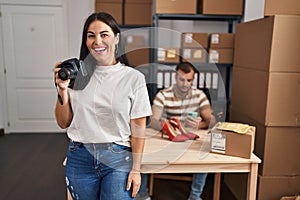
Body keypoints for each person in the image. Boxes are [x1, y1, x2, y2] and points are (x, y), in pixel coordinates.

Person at [54, 12, 152, 200]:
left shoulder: (134, 78)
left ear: (116, 38)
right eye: (91, 35)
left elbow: (138, 131)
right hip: (79, 155)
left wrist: (136, 169)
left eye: (104, 34)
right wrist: (62, 91)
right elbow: (63, 122)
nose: (97, 41)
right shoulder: (75, 75)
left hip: (118, 157)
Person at [135, 62, 215, 200]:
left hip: (190, 138)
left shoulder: (199, 95)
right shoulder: (163, 95)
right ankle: (142, 194)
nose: (185, 84)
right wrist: (167, 126)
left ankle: (195, 196)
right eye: (181, 79)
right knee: (142, 151)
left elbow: (211, 120)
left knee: (205, 155)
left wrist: (200, 124)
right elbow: (153, 120)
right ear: (175, 77)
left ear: (193, 79)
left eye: (189, 80)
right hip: (167, 138)